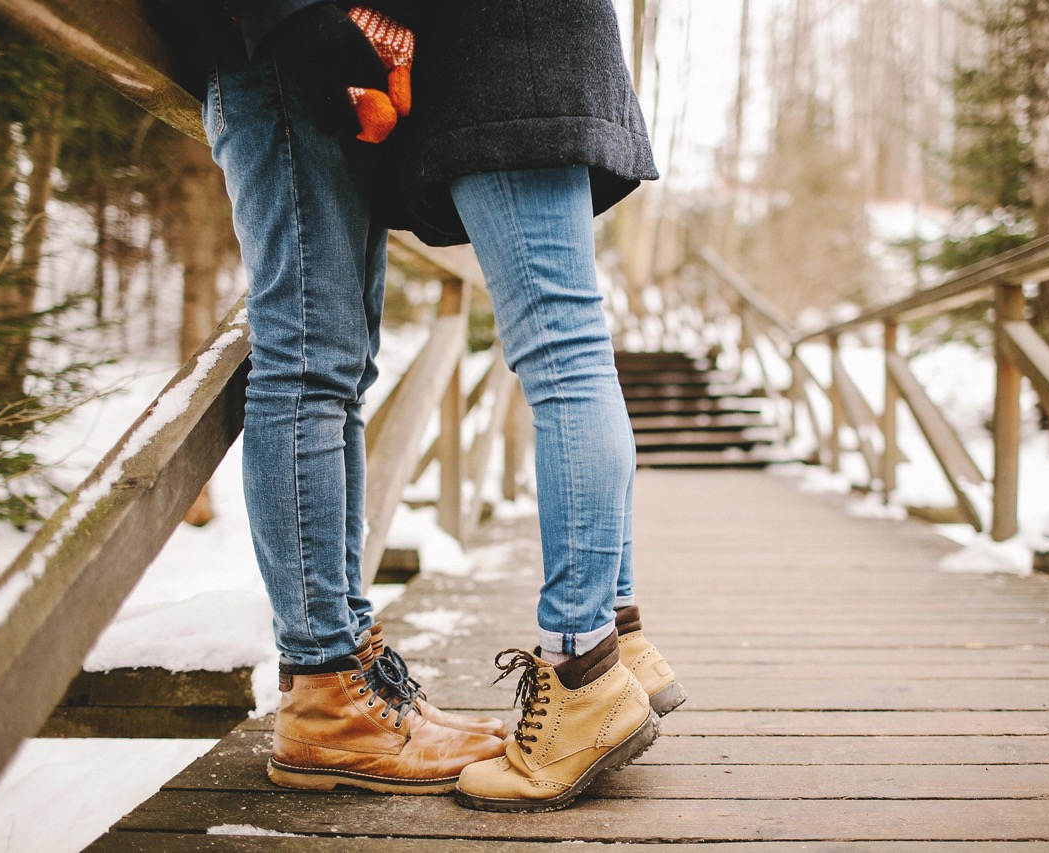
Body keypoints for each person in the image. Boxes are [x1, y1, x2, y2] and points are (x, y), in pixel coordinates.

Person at [156, 0, 685, 811]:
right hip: (281, 41)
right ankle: (333, 682)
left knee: (340, 364)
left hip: (374, 53)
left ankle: (377, 675)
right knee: (316, 362)